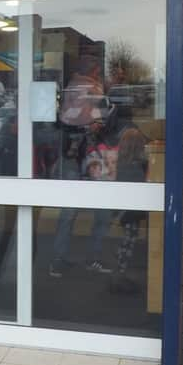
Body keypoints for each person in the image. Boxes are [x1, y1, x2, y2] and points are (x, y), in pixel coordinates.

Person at [49, 55, 113, 277]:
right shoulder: (83, 87)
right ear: (92, 71)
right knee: (83, 210)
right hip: (80, 152)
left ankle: (61, 260)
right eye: (96, 72)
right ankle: (77, 259)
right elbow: (73, 118)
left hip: (86, 152)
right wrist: (93, 121)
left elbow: (98, 117)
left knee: (82, 210)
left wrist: (95, 121)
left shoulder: (77, 89)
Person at [111, 125, 149, 293]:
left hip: (123, 209)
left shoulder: (121, 163)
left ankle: (119, 271)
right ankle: (120, 273)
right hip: (132, 210)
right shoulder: (139, 165)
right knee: (129, 240)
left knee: (127, 239)